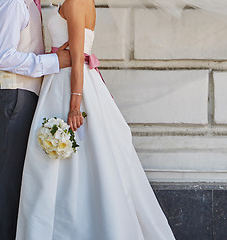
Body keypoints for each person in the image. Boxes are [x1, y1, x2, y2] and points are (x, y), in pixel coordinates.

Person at [15, 0, 177, 239]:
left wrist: (74, 105)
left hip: (70, 85)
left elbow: (78, 57)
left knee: (87, 159)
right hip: (59, 83)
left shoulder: (77, 1)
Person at [0, 0, 72, 239]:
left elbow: (26, 49)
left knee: (19, 179)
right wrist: (55, 62)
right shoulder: (13, 3)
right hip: (12, 96)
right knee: (8, 181)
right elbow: (4, 56)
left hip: (25, 95)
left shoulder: (31, 4)